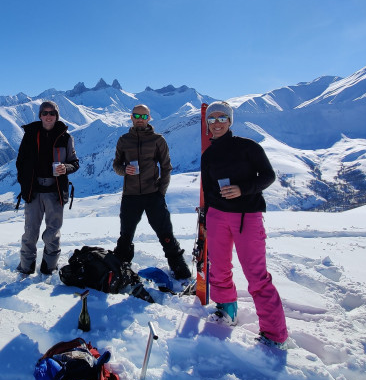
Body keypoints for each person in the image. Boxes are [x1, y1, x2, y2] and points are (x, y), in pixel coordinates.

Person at [200, 100, 288, 348]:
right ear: (207, 124)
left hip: (247, 216)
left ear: (230, 121)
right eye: (212, 119)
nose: (217, 123)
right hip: (218, 216)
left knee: (256, 275)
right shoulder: (209, 155)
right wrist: (207, 218)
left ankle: (274, 334)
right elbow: (207, 189)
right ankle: (227, 309)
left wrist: (242, 189)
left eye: (221, 118)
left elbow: (268, 176)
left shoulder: (248, 147)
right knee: (218, 267)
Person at [111, 104, 192, 279]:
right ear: (131, 117)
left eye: (144, 116)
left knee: (165, 233)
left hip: (152, 194)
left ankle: (181, 271)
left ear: (149, 118)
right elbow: (116, 165)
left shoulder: (158, 140)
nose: (140, 120)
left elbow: (166, 167)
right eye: (137, 116)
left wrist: (160, 191)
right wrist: (124, 170)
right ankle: (119, 271)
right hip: (130, 196)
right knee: (126, 235)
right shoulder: (124, 140)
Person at [16, 101, 79, 275]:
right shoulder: (30, 134)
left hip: (55, 191)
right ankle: (26, 267)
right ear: (40, 115)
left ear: (57, 115)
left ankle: (49, 267)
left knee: (52, 232)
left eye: (52, 113)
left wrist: (66, 168)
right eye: (45, 113)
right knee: (30, 232)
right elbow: (20, 162)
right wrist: (25, 183)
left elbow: (75, 162)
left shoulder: (65, 137)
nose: (48, 116)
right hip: (33, 191)